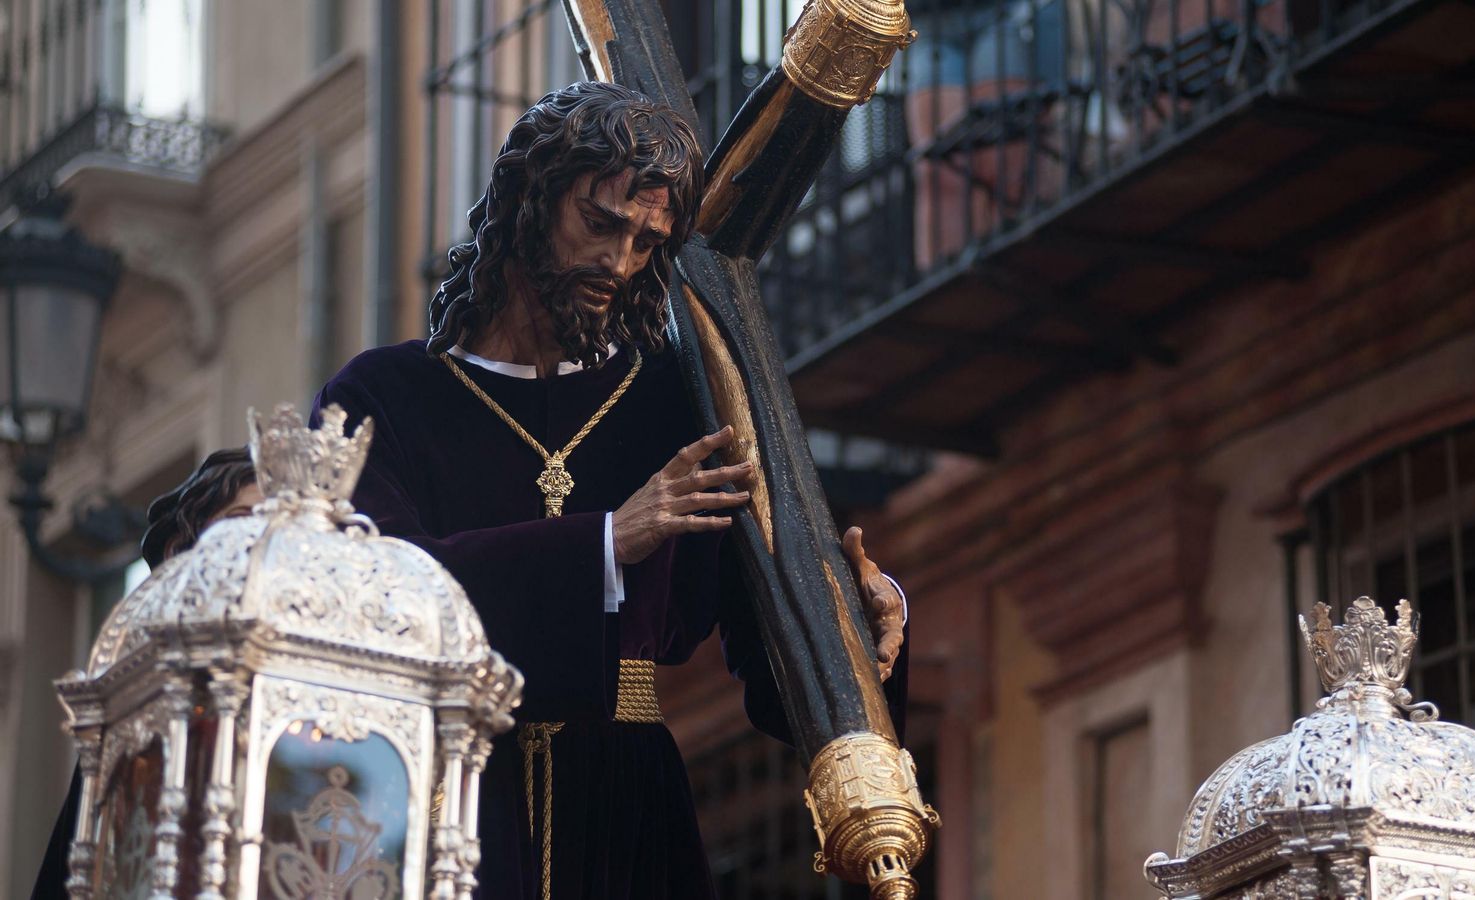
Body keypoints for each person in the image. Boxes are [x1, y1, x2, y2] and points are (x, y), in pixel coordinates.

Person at [313, 81, 907, 899]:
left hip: (630, 819)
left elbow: (771, 654)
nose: (620, 262)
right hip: (454, 801)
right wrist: (602, 542)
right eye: (600, 223)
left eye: (645, 240)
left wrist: (860, 631)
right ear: (530, 199)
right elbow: (363, 592)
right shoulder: (385, 399)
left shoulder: (678, 399)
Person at [30, 447, 261, 900]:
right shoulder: (140, 696)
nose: (260, 540)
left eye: (274, 526)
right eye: (241, 521)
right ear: (183, 550)